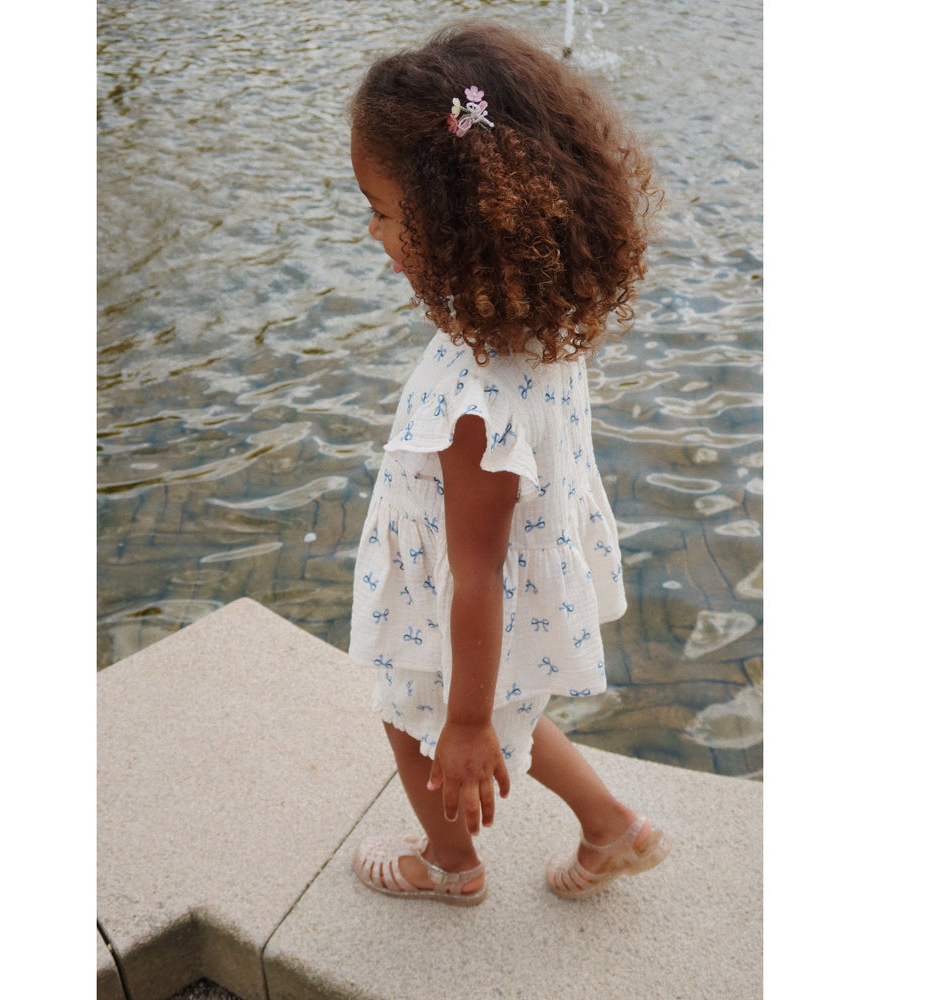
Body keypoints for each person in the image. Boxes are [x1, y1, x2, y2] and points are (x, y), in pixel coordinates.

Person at [347, 20, 669, 905]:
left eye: (385, 212)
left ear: (454, 227)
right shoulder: (535, 324)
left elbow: (476, 567)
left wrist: (463, 720)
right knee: (512, 711)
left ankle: (449, 863)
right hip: (517, 609)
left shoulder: (472, 401)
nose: (373, 231)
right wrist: (482, 712)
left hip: (461, 608)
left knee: (411, 719)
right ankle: (611, 825)